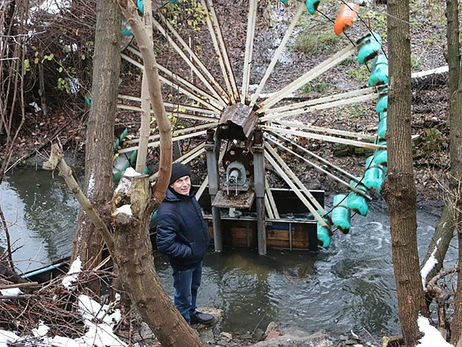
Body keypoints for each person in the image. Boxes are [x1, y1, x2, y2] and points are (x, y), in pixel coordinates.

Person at [156, 163, 214, 325]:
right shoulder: (168, 211)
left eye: (186, 179)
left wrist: (196, 251)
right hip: (184, 263)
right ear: (171, 185)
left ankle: (192, 314)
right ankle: (184, 328)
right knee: (183, 297)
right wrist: (189, 252)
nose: (185, 184)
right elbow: (165, 244)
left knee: (194, 288)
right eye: (179, 181)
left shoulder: (188, 197)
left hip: (196, 256)